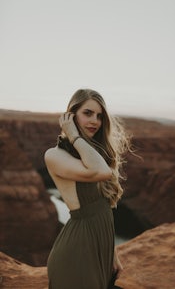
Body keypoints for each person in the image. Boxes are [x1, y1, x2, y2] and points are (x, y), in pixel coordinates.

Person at [44, 88, 132, 289]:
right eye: (88, 113)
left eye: (99, 116)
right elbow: (101, 172)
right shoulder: (54, 155)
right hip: (77, 252)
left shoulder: (92, 154)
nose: (95, 121)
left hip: (99, 251)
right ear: (70, 116)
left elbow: (103, 209)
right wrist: (74, 135)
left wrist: (112, 253)